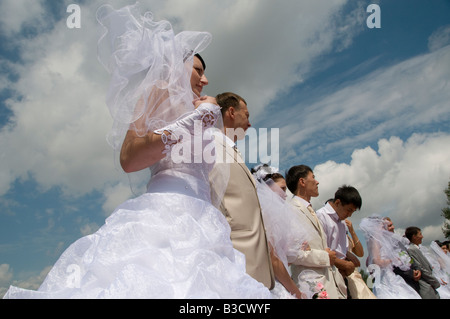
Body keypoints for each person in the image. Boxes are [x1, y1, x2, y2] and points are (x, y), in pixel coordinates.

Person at [4, 4, 270, 299]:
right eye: (198, 70)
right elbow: (129, 159)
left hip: (206, 223)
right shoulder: (153, 96)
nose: (205, 80)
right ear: (173, 66)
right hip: (167, 213)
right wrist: (191, 122)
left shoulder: (206, 110)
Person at [210, 92, 275, 290]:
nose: (250, 123)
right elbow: (213, 198)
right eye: (246, 115)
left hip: (254, 264)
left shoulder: (230, 148)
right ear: (231, 112)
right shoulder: (211, 145)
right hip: (237, 258)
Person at [285, 165, 347, 299]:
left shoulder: (312, 210)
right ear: (302, 182)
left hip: (330, 284)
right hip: (311, 286)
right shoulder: (291, 209)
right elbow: (292, 253)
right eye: (313, 177)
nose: (317, 182)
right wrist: (326, 257)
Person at [251, 164, 311, 298]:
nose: (285, 194)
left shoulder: (263, 214)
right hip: (272, 284)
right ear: (266, 187)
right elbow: (274, 261)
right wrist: (297, 293)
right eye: (282, 188)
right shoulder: (264, 214)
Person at [316, 186, 375, 299]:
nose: (350, 215)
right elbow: (320, 250)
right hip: (327, 275)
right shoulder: (321, 216)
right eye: (349, 210)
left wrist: (348, 259)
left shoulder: (342, 223)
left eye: (353, 211)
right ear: (338, 202)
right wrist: (343, 264)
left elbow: (342, 250)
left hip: (343, 275)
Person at [359, 215, 421, 299]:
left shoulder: (380, 239)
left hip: (390, 275)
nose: (384, 227)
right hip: (385, 277)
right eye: (381, 225)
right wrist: (392, 260)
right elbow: (376, 262)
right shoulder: (374, 240)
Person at [405, 226, 441, 299]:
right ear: (414, 237)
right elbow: (421, 268)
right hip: (425, 285)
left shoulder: (417, 249)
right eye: (420, 234)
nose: (422, 236)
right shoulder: (412, 249)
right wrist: (434, 281)